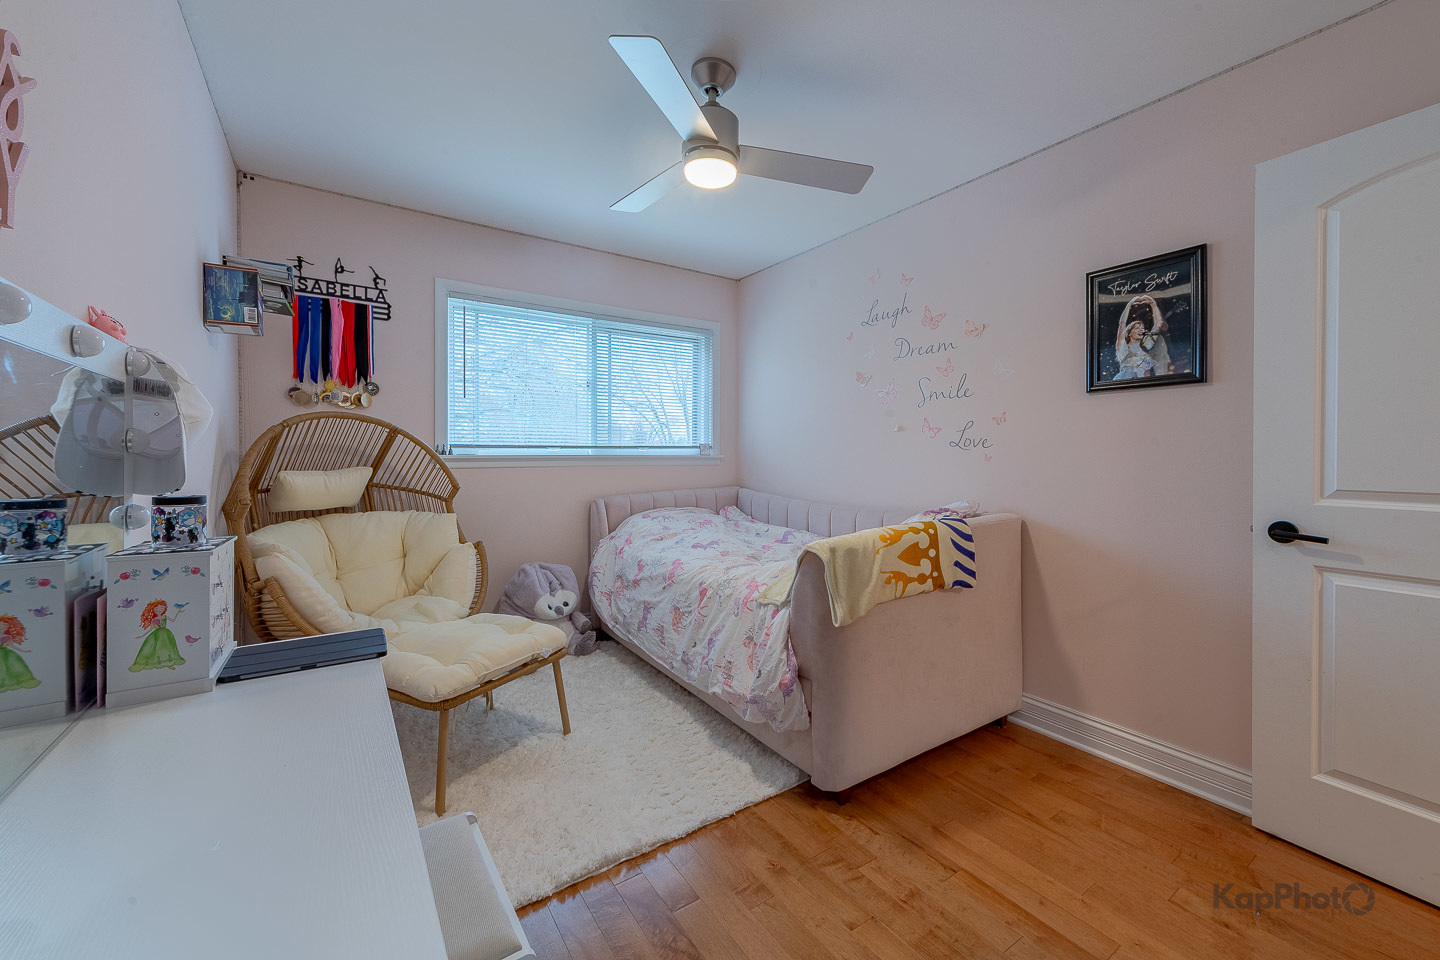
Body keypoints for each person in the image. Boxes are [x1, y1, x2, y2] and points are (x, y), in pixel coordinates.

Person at [1111, 294, 1171, 379]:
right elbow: (1122, 324)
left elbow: (1158, 324)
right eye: (1137, 328)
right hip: (1124, 387)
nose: (1141, 330)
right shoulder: (1123, 348)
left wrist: (1153, 304)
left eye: (1142, 328)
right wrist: (1129, 305)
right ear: (1129, 333)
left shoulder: (1147, 347)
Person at [130, 599, 186, 672]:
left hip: (166, 634)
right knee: (157, 648)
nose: (160, 610)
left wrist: (178, 612)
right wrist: (142, 636)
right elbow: (151, 629)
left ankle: (170, 663)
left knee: (168, 648)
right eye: (158, 608)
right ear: (154, 609)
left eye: (162, 608)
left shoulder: (165, 617)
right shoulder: (154, 619)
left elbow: (173, 620)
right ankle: (158, 662)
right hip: (157, 635)